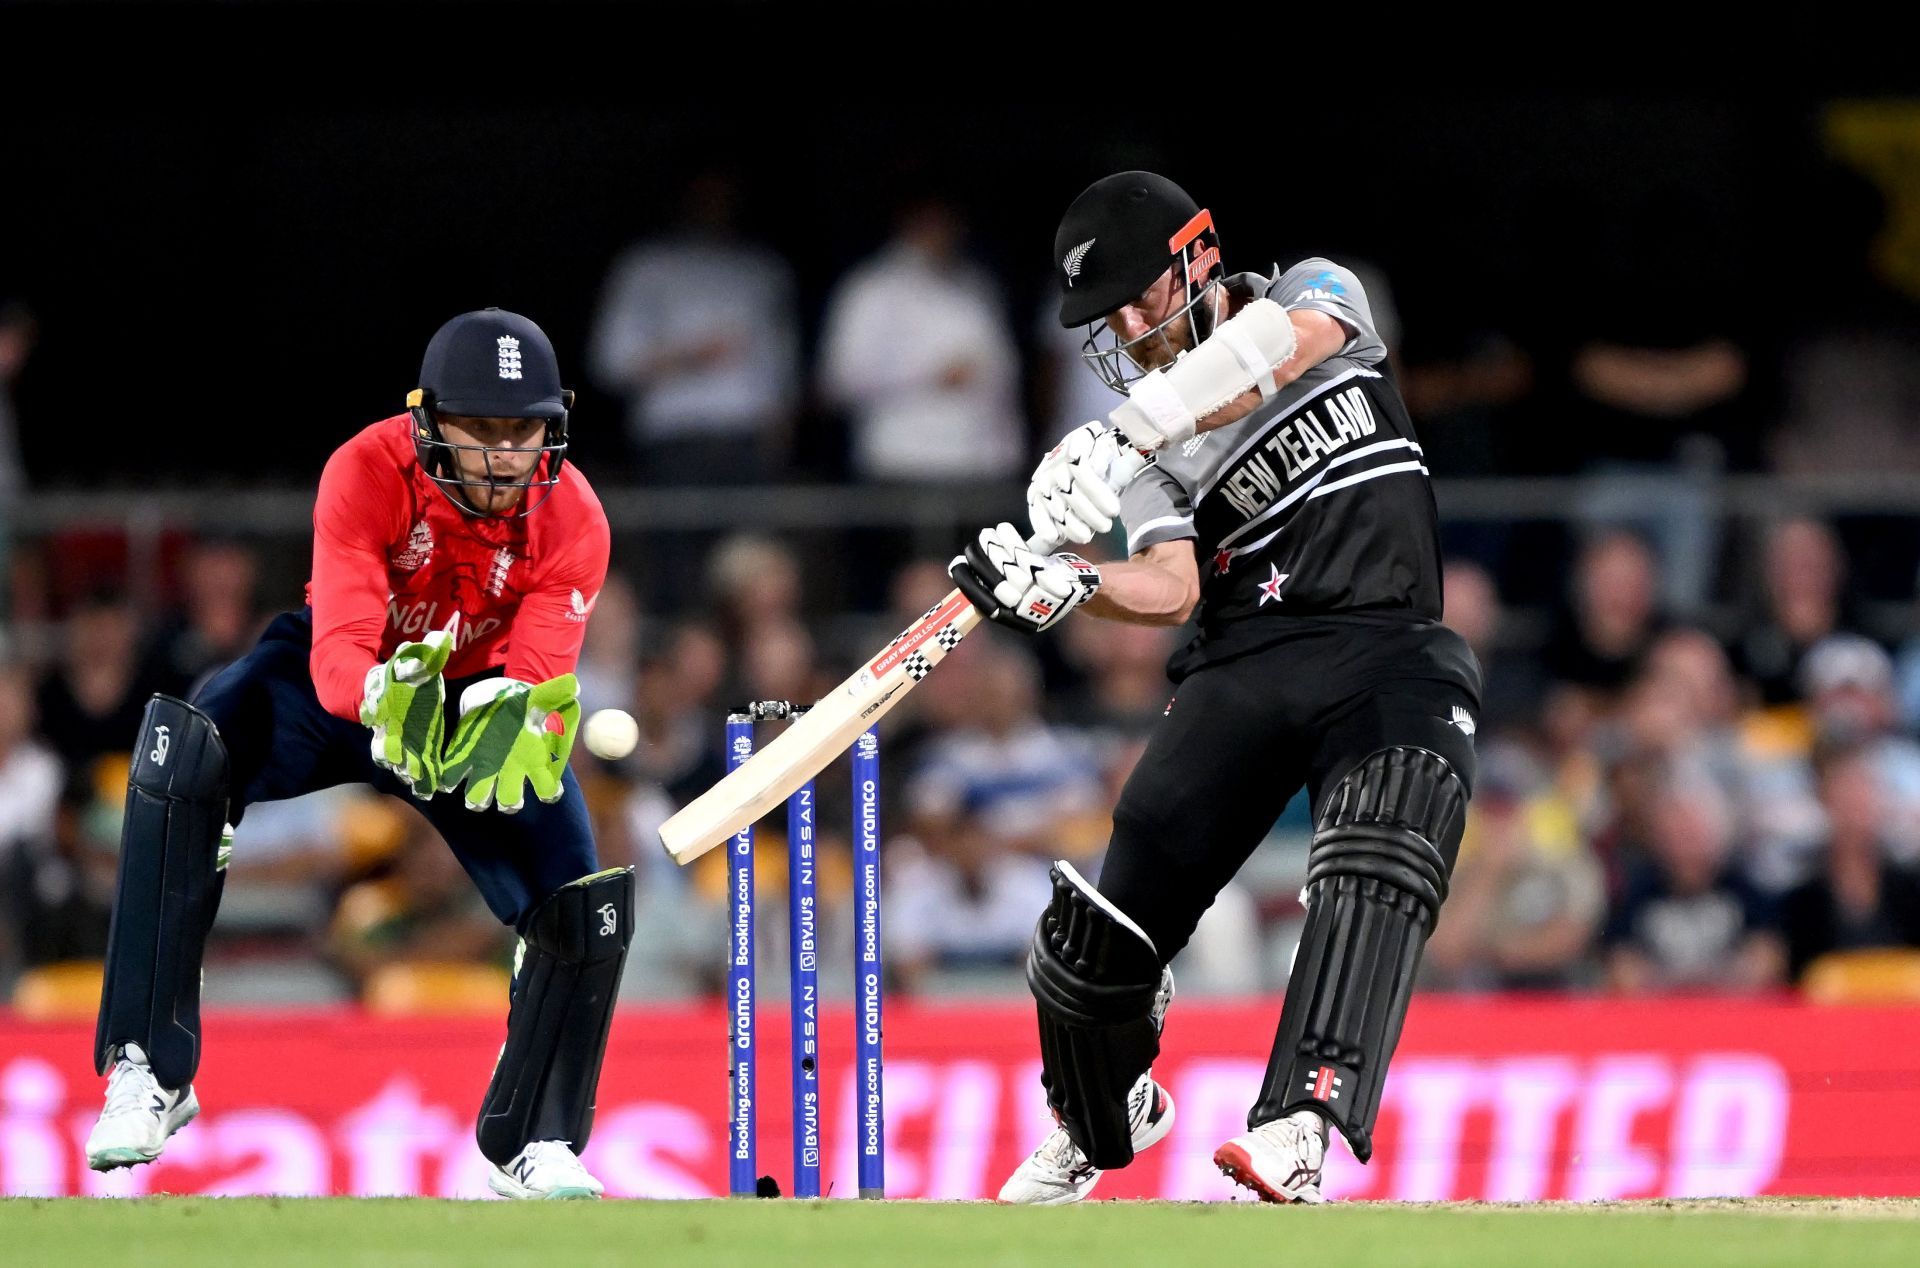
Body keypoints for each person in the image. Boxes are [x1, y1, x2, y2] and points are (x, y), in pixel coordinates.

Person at [949, 172, 1480, 1204]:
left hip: (1387, 647)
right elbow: (1170, 585)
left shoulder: (1321, 291)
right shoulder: (1147, 454)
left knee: (1385, 840)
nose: (1129, 328)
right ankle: (1103, 1113)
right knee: (1093, 939)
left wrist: (1131, 427)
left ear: (1200, 254)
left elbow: (1278, 349)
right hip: (1244, 665)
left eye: (1140, 295)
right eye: (1109, 318)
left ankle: (1297, 1124)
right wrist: (1068, 582)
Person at [84, 309, 629, 1200]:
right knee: (187, 752)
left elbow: (539, 680)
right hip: (354, 677)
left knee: (578, 895)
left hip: (473, 701)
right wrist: (381, 700)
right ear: (428, 422)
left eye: (522, 430)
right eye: (481, 431)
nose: (503, 455)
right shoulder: (367, 468)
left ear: (552, 427)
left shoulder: (576, 520)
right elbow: (337, 650)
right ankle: (148, 1070)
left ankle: (535, 1140)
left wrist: (520, 718)